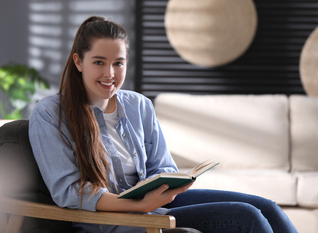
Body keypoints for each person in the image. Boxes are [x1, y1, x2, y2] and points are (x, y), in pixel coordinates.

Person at [29, 16, 298, 233]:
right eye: (99, 62)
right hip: (114, 220)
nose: (109, 74)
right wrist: (138, 204)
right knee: (246, 217)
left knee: (267, 206)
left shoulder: (138, 105)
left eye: (118, 63)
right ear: (78, 61)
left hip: (152, 205)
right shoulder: (51, 113)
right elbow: (69, 192)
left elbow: (162, 166)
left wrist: (169, 184)